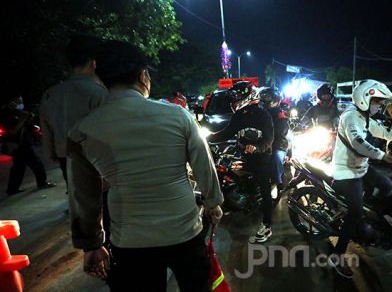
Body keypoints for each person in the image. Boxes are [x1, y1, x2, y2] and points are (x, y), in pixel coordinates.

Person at [67, 40, 223, 292]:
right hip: (184, 231)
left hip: (130, 241)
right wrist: (213, 202)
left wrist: (92, 245)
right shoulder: (178, 115)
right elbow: (204, 165)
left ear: (102, 80)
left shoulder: (82, 131)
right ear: (143, 76)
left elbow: (83, 196)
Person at [328, 79, 392, 278]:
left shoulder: (364, 118)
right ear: (365, 98)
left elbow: (382, 131)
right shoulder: (350, 117)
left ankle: (376, 220)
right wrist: (386, 157)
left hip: (361, 168)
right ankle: (337, 256)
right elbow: (358, 143)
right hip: (346, 172)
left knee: (388, 185)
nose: (380, 106)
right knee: (355, 214)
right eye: (378, 102)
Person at [208, 81, 275, 243]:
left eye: (238, 96)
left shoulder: (263, 115)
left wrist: (257, 147)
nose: (235, 99)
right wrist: (206, 138)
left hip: (261, 157)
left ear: (249, 95)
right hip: (243, 154)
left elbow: (269, 139)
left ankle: (267, 225)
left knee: (266, 192)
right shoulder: (239, 115)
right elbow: (226, 133)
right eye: (235, 96)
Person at [40, 34, 108, 183]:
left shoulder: (50, 94)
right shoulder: (99, 93)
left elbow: (46, 128)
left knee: (76, 197)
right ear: (94, 62)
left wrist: (51, 151)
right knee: (99, 199)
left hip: (64, 156)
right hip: (94, 157)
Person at [0, 95, 56, 195]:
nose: (20, 104)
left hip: (24, 143)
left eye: (21, 101)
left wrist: (29, 122)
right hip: (17, 145)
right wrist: (22, 120)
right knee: (35, 164)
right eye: (17, 102)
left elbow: (27, 127)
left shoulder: (18, 113)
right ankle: (41, 183)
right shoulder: (5, 115)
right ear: (10, 102)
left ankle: (12, 189)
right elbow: (12, 131)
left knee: (19, 167)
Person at [259, 87, 290, 196]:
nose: (264, 100)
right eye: (263, 97)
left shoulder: (280, 115)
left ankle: (278, 183)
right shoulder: (261, 113)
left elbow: (278, 133)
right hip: (264, 143)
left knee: (276, 158)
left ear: (276, 99)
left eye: (267, 97)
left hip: (278, 144)